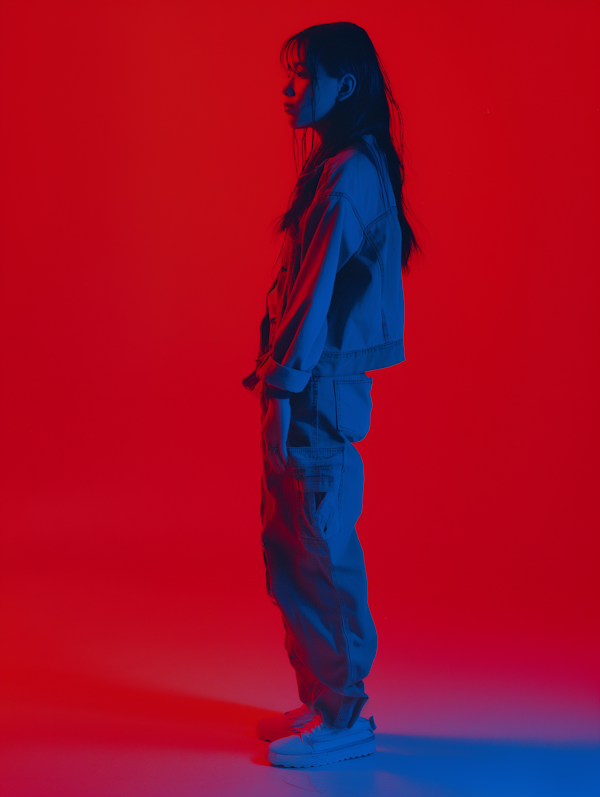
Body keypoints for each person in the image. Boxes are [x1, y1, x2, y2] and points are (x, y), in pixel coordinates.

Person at [242, 21, 419, 768]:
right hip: (306, 380)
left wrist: (282, 387)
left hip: (318, 386)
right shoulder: (337, 166)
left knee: (318, 541)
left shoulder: (351, 175)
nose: (288, 92)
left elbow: (313, 302)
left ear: (343, 85)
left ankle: (346, 713)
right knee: (290, 543)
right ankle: (323, 699)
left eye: (301, 77)